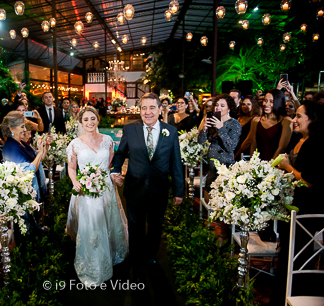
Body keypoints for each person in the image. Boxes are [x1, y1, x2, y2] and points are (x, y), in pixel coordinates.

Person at [111, 92, 184, 282]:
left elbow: (176, 163)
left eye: (152, 107)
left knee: (155, 225)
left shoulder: (171, 132)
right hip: (135, 186)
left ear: (160, 109)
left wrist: (179, 190)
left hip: (159, 188)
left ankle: (151, 256)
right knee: (135, 226)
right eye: (144, 108)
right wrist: (115, 170)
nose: (148, 112)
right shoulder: (130, 129)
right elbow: (120, 154)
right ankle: (137, 260)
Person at [66, 106, 128, 286]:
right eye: (86, 119)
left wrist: (114, 176)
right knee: (91, 227)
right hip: (85, 191)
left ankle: (111, 255)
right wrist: (75, 182)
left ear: (98, 120)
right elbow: (71, 168)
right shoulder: (75, 144)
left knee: (107, 221)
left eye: (92, 118)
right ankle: (92, 265)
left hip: (106, 189)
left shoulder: (108, 140)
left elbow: (110, 164)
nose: (90, 122)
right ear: (81, 122)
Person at [270, 101, 324, 304]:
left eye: (300, 116)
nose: (294, 119)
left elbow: (310, 180)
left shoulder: (316, 143)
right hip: (292, 205)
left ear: (313, 119)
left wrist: (287, 167)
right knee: (286, 254)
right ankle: (282, 295)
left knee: (297, 256)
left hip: (306, 209)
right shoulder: (300, 140)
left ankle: (293, 295)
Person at [198, 94, 241, 194]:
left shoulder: (234, 124)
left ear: (229, 108)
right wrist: (204, 129)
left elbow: (230, 146)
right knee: (209, 192)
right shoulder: (212, 120)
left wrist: (221, 128)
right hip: (211, 164)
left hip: (225, 165)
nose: (218, 108)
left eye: (222, 105)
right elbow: (201, 141)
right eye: (217, 105)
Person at [1, 111, 48, 203]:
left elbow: (40, 159)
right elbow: (29, 171)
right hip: (25, 196)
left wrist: (46, 146)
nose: (25, 130)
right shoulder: (11, 147)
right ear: (12, 129)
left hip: (33, 188)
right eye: (22, 127)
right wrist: (40, 153)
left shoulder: (21, 143)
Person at [244, 89, 292, 161]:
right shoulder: (256, 121)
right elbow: (253, 144)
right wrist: (253, 163)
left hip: (276, 165)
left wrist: (270, 166)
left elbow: (281, 148)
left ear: (278, 102)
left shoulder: (286, 121)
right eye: (265, 100)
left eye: (271, 101)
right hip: (258, 165)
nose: (266, 104)